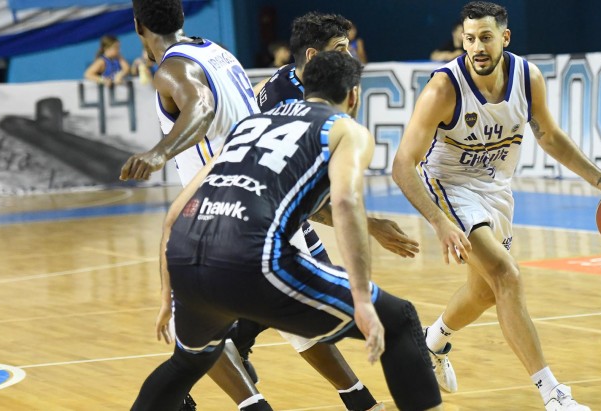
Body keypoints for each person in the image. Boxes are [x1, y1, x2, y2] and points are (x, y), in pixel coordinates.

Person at [130, 50, 443, 411]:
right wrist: (361, 298)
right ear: (354, 95)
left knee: (189, 361)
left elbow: (175, 213)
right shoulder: (344, 129)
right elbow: (345, 204)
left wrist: (168, 298)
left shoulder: (250, 124)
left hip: (186, 256)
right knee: (398, 319)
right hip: (249, 257)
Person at [392, 2, 601, 410]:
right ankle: (554, 394)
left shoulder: (527, 78)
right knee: (506, 275)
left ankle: (433, 341)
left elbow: (549, 136)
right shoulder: (444, 89)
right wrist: (440, 222)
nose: (477, 47)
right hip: (450, 186)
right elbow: (402, 165)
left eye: (485, 38)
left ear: (505, 37)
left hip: (497, 189)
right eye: (469, 39)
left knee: (485, 291)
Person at [242, 11, 421, 411]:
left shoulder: (286, 80)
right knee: (320, 309)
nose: (350, 57)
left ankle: (235, 341)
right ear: (312, 55)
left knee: (298, 304)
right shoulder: (302, 104)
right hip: (270, 215)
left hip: (266, 210)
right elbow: (312, 196)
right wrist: (370, 225)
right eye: (341, 49)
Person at [119, 0, 272, 409]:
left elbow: (200, 107)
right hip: (265, 194)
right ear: (182, 18)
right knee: (209, 322)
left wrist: (159, 152)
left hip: (221, 206)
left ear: (138, 26)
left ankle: (249, 398)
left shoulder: (171, 69)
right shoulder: (218, 52)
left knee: (188, 328)